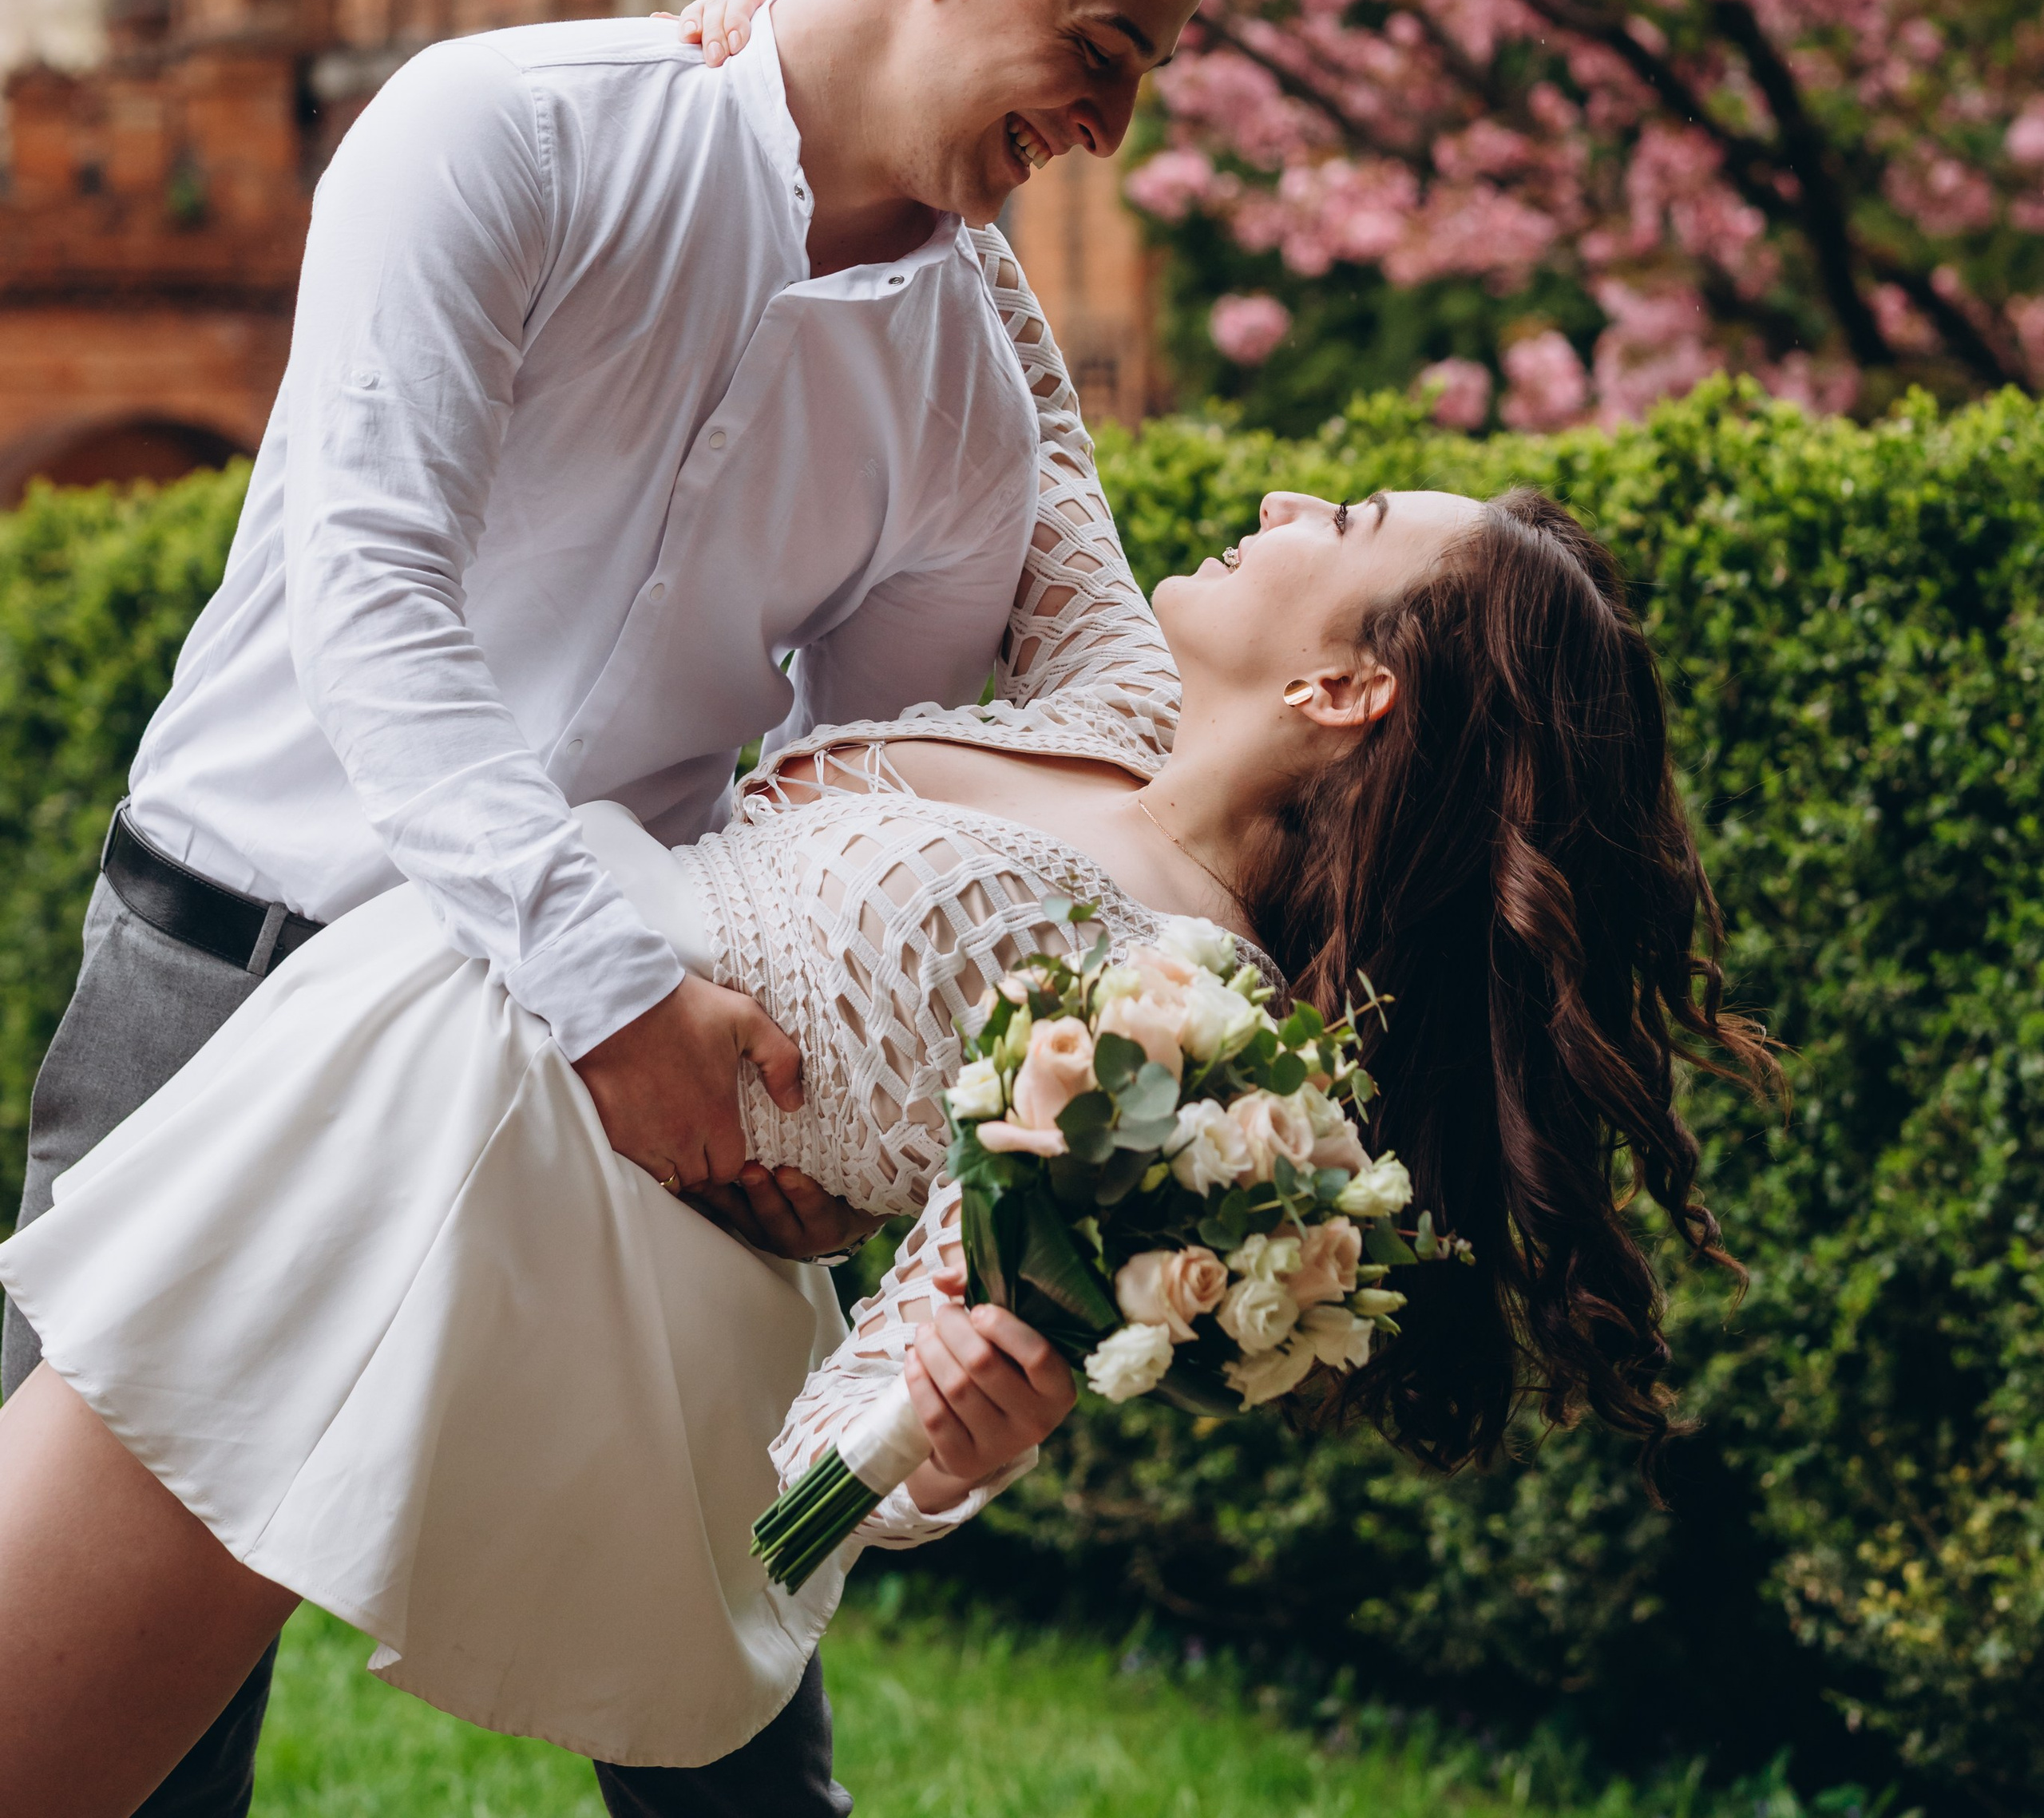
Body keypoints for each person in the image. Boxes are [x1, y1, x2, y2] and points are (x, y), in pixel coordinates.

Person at [0, 0, 1222, 1818]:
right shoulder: (501, 132)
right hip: (234, 979)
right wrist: (614, 989)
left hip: (623, 1080)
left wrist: (864, 1187)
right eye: (1099, 50)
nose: (1111, 127)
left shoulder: (963, 406)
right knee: (98, 1738)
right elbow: (376, 604)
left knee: (738, 1722)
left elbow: (854, 804)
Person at [0, 445, 1777, 1818]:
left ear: (1346, 690)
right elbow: (1043, 428)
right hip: (388, 1069)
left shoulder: (1181, 1013)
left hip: (483, 1172)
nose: (1284, 495)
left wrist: (933, 1450)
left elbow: (938, 1343)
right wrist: (786, 57)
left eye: (1351, 516)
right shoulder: (1113, 718)